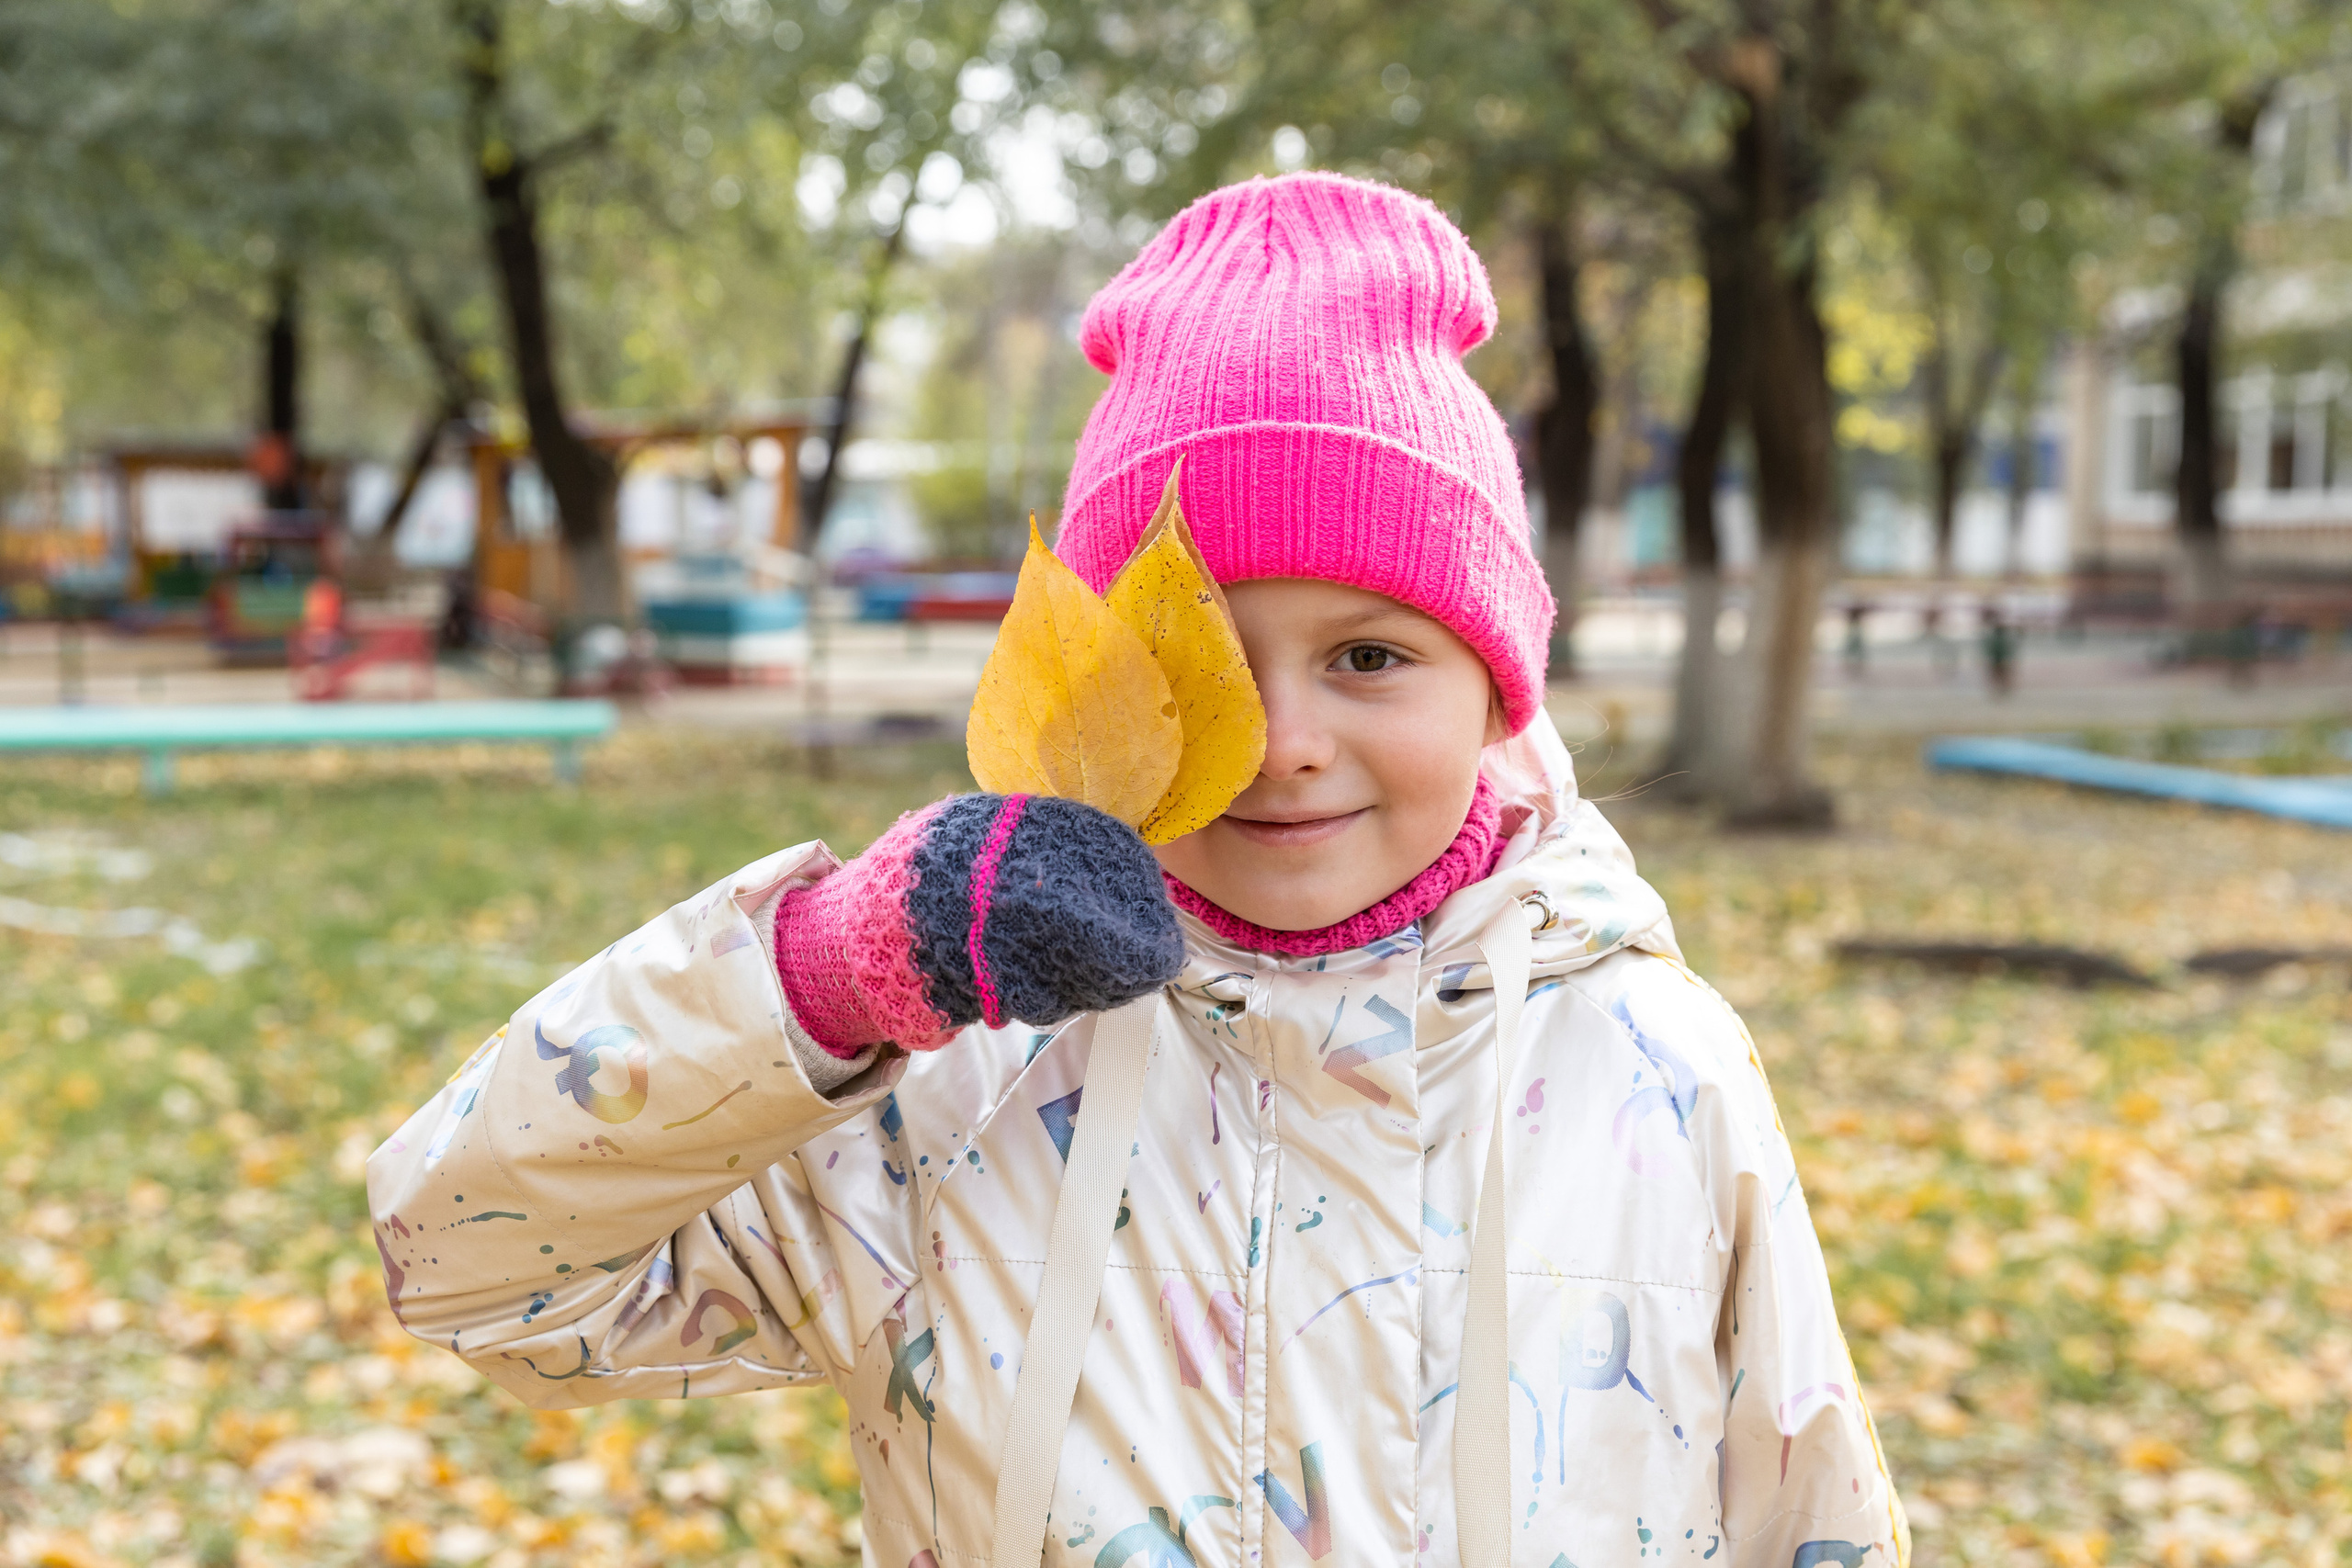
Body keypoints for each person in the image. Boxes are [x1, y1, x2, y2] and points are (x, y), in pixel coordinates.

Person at [368, 174, 1907, 1568]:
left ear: (1501, 692)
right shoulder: (954, 1098)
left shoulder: (1656, 1070)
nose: (1285, 740)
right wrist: (825, 977)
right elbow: (474, 1264)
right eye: (1203, 667)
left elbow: (1815, 1520)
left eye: (1371, 656)